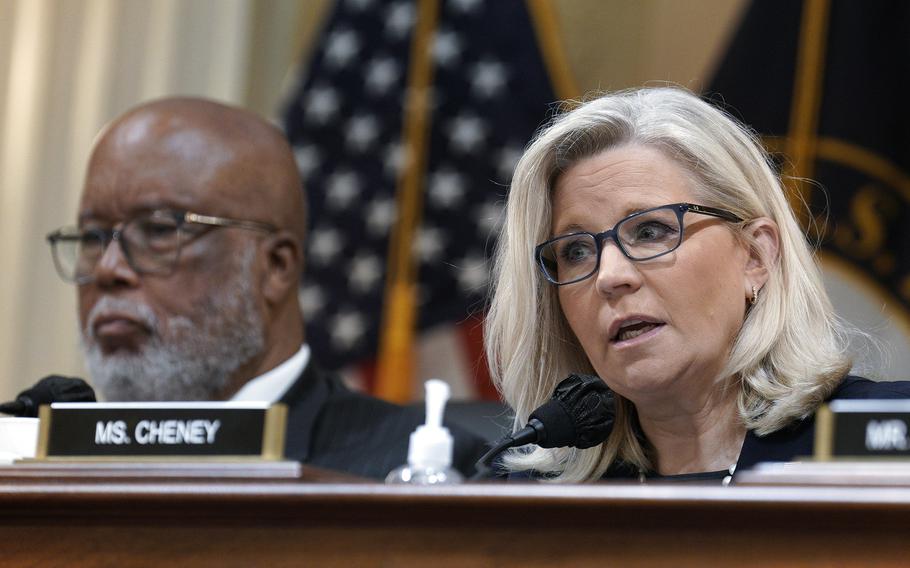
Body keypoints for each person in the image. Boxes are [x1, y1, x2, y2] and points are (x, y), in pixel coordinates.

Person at [46, 97, 487, 480]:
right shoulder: (34, 465)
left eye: (159, 231)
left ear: (275, 267)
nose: (108, 269)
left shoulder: (424, 477)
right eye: (90, 238)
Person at [485, 87, 910, 483]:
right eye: (576, 251)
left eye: (650, 231)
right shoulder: (531, 501)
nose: (610, 277)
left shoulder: (886, 446)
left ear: (755, 256)